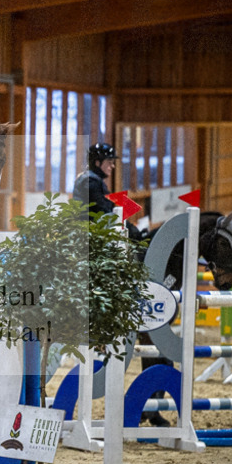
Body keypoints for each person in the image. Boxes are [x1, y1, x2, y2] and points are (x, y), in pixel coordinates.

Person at [72, 143, 169, 427]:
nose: (113, 166)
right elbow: (108, 214)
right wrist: (137, 233)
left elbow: (111, 213)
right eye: (109, 161)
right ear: (98, 161)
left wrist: (134, 229)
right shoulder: (91, 183)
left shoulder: (91, 181)